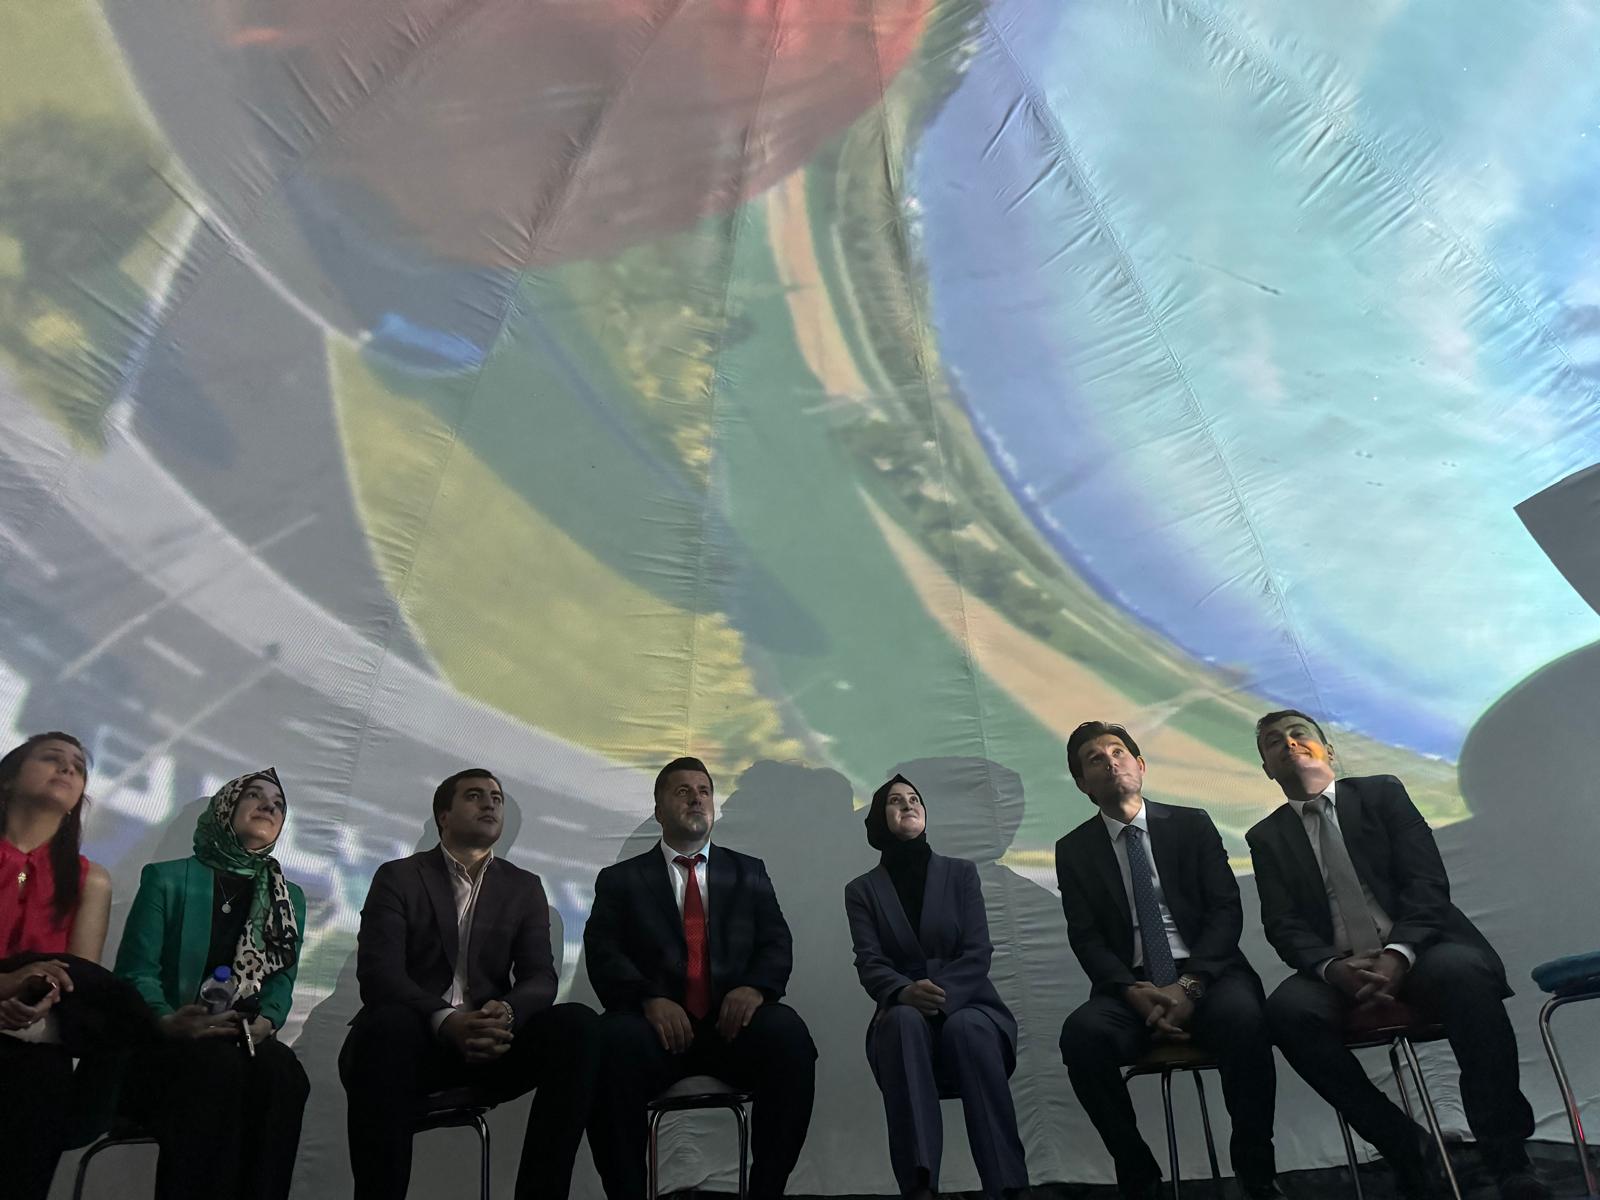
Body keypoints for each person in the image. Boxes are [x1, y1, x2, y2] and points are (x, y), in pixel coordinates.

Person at [1246, 709, 1548, 1200]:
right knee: (1285, 1012)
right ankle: (1408, 1147)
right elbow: (1283, 924)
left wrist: (1398, 953)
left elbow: (1426, 883)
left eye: (1299, 734)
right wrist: (1332, 968)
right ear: (1267, 769)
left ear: (1329, 751)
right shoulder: (1266, 837)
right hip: (1340, 966)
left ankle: (1507, 1157)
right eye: (1275, 742)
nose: (1290, 743)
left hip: (1419, 949)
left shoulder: (1382, 794)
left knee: (1464, 973)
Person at [339, 768, 598, 1200]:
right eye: (474, 796)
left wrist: (507, 1012)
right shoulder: (399, 876)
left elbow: (540, 976)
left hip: (490, 1042)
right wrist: (446, 1021)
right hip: (414, 1043)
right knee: (386, 1026)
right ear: (444, 816)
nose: (490, 803)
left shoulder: (524, 886)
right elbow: (379, 975)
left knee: (579, 1026)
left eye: (496, 797)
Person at [1056, 721, 1280, 1200]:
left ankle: (1257, 1173)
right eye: (1095, 759)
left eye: (1119, 752)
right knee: (1081, 1036)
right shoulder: (1073, 849)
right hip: (1132, 987)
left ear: (1140, 765)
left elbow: (1225, 909)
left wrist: (1189, 986)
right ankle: (1138, 1174)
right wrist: (1130, 991)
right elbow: (1086, 936)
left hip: (1209, 975)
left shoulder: (1191, 823)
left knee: (1245, 1019)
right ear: (1081, 784)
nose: (1110, 761)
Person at [585, 756, 816, 1200]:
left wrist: (754, 988)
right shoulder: (621, 880)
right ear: (658, 811)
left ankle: (766, 1192)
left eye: (704, 791)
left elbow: (776, 942)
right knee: (607, 1043)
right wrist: (649, 998)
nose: (696, 799)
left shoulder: (748, 871)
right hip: (655, 1034)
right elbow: (603, 952)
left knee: (788, 1035)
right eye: (683, 791)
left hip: (732, 1031)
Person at [114, 767, 310, 1200]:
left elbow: (282, 978)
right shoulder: (166, 878)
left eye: (278, 804)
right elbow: (135, 971)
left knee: (284, 1074)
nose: (268, 806)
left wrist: (268, 1021)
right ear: (226, 808)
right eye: (254, 796)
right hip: (168, 1043)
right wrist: (169, 1020)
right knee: (217, 1070)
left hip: (244, 1040)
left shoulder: (287, 896)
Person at [844, 774, 1028, 1200]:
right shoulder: (861, 891)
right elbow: (870, 962)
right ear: (879, 818)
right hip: (902, 1008)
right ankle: (920, 1186)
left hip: (969, 1003)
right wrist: (903, 992)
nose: (908, 805)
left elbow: (978, 952)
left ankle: (1007, 1187)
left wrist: (937, 993)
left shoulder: (961, 874)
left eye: (914, 799)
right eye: (895, 801)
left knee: (969, 1029)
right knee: (902, 1025)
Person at [0, 732, 115, 1200]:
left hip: (32, 1052)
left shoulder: (91, 880)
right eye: (52, 758)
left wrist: (40, 994)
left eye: (78, 767)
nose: (68, 769)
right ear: (8, 780)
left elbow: (79, 982)